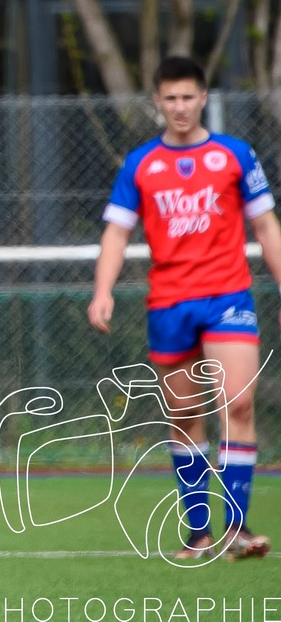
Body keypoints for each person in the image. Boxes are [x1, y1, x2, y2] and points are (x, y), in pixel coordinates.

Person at [88, 55, 281, 561]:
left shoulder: (236, 155)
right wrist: (102, 290)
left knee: (237, 403)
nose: (179, 107)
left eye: (188, 96)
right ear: (157, 102)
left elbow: (265, 227)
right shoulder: (141, 165)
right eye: (169, 98)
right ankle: (199, 533)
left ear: (203, 98)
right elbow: (116, 231)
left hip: (228, 297)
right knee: (185, 415)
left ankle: (237, 529)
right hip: (169, 302)